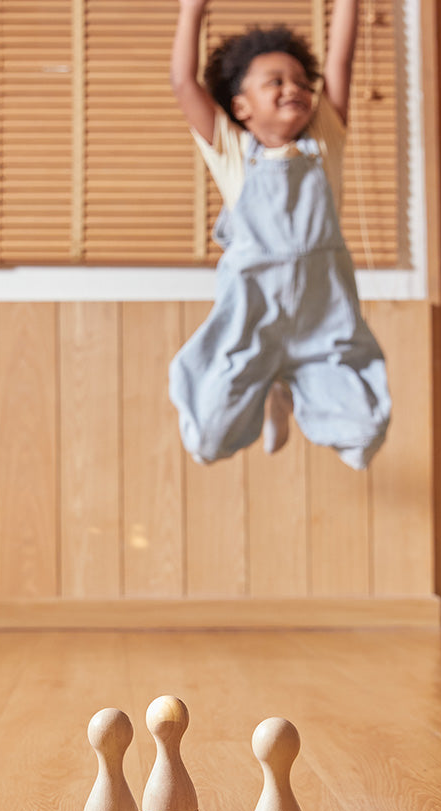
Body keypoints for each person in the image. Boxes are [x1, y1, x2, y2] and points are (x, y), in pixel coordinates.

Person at [168, 0, 391, 470]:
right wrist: (192, 11)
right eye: (275, 82)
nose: (293, 88)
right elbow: (183, 84)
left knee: (365, 434)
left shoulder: (324, 141)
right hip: (253, 317)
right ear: (241, 107)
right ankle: (268, 385)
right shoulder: (232, 152)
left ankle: (287, 386)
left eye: (300, 82)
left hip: (323, 315)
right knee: (207, 441)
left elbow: (341, 61)